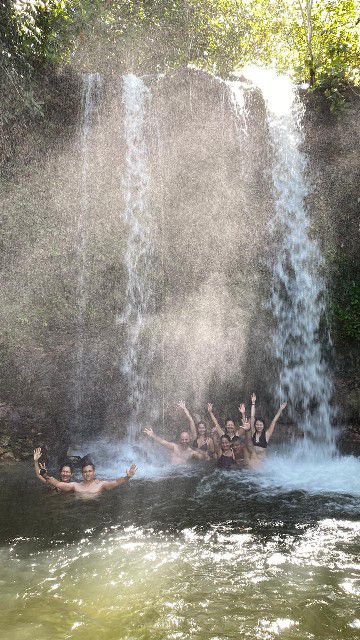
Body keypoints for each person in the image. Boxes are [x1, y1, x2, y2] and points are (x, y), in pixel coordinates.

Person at [239, 395, 288, 468]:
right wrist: (253, 403)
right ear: (255, 425)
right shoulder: (253, 432)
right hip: (253, 460)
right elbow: (252, 417)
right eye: (257, 425)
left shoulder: (267, 434)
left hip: (262, 463)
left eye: (260, 425)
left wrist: (280, 409)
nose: (259, 426)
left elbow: (274, 421)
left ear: (263, 425)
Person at [43, 461, 137, 495]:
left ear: (94, 472)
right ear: (82, 474)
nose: (87, 474)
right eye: (85, 472)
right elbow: (58, 484)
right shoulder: (75, 486)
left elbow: (115, 482)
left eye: (89, 471)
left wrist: (127, 477)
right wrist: (45, 475)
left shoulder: (101, 484)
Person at [143, 427, 208, 465]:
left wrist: (205, 454)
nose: (184, 441)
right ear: (180, 440)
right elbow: (163, 442)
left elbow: (202, 457)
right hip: (170, 470)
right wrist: (152, 435)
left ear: (189, 440)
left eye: (186, 439)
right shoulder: (174, 447)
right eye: (182, 440)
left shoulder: (191, 453)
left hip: (183, 473)